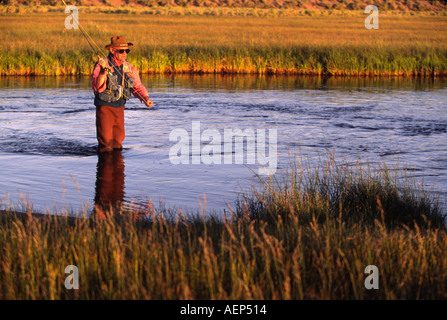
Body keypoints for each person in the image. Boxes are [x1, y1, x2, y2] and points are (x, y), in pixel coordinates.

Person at [92, 36, 153, 153]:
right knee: (106, 144)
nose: (125, 53)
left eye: (127, 51)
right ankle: (105, 169)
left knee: (118, 143)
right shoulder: (101, 65)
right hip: (105, 108)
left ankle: (119, 170)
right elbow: (97, 88)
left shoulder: (129, 68)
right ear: (112, 50)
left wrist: (146, 98)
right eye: (121, 51)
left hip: (120, 108)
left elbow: (137, 87)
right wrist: (103, 72)